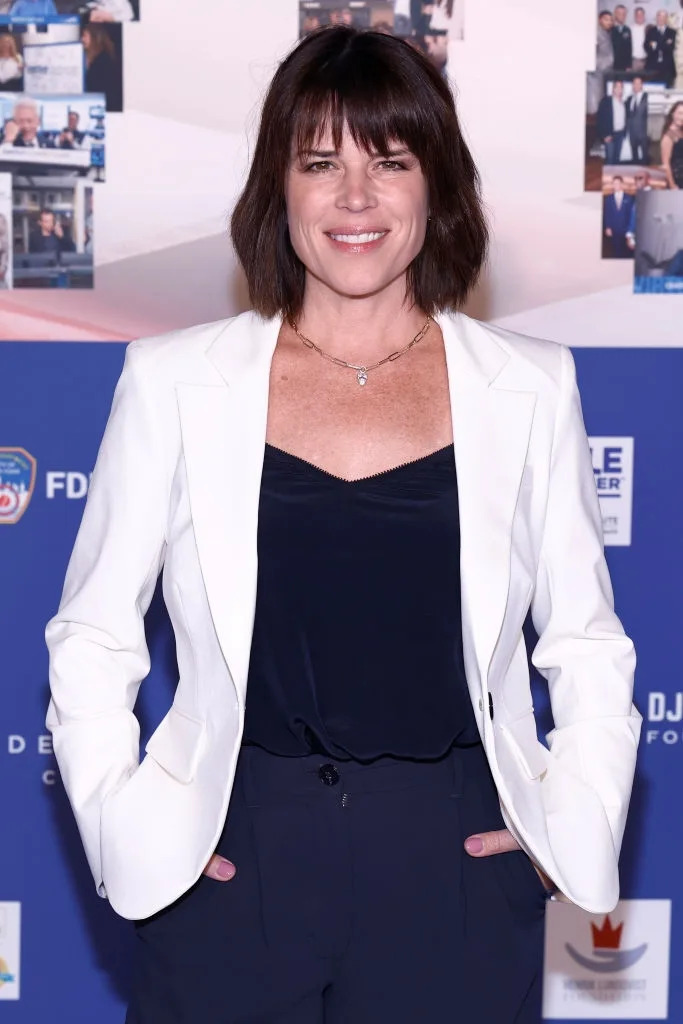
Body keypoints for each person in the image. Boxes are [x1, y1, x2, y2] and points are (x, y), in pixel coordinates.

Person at [45, 26, 640, 1024]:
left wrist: (566, 834)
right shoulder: (173, 381)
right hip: (232, 860)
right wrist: (131, 831)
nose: (354, 198)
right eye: (319, 163)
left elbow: (584, 640)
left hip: (452, 862)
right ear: (277, 190)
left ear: (435, 188)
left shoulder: (530, 386)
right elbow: (94, 635)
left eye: (389, 162)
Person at [81, 22, 122, 110]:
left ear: (95, 36)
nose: (82, 39)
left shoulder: (103, 61)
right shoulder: (100, 57)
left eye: (85, 35)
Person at [588, 10, 615, 115]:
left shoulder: (607, 33)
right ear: (600, 20)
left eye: (611, 20)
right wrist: (599, 66)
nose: (609, 22)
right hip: (596, 73)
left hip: (605, 72)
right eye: (606, 20)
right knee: (595, 103)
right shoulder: (596, 33)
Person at [603, 175, 635, 257]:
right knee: (616, 251)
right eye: (614, 183)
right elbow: (607, 214)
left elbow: (631, 215)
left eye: (617, 183)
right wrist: (608, 227)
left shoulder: (629, 198)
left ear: (622, 184)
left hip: (626, 229)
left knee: (627, 251)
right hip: (614, 229)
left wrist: (630, 231)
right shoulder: (608, 199)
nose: (616, 185)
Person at [597, 79, 627, 164]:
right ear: (613, 89)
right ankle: (609, 173)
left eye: (621, 87)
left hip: (620, 134)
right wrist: (604, 135)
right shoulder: (606, 101)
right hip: (609, 135)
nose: (619, 89)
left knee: (617, 159)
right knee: (610, 160)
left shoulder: (623, 103)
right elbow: (600, 119)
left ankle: (615, 173)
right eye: (617, 87)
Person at [645, 8, 676, 85]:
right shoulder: (650, 31)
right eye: (659, 16)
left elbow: (671, 48)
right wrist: (665, 44)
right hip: (652, 67)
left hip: (667, 68)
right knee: (652, 88)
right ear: (656, 18)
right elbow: (646, 47)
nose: (661, 19)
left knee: (667, 89)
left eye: (663, 17)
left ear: (666, 18)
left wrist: (655, 44)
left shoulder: (672, 32)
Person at [626, 75, 649, 163]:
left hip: (643, 134)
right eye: (634, 83)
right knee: (634, 157)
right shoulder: (629, 99)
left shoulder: (647, 97)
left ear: (642, 85)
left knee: (645, 158)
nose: (636, 85)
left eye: (638, 83)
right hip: (632, 134)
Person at [661, 100, 683, 188]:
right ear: (673, 114)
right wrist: (672, 185)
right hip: (676, 181)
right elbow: (665, 164)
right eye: (679, 113)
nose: (681, 117)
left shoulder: (680, 132)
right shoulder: (668, 136)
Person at [611, 4, 632, 70]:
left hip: (623, 65)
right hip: (611, 64)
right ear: (615, 14)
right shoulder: (609, 28)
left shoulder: (627, 29)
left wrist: (629, 65)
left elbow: (629, 48)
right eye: (619, 13)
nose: (622, 16)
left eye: (624, 14)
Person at [631, 5, 648, 71]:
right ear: (634, 16)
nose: (639, 16)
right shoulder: (630, 29)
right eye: (637, 15)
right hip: (634, 61)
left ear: (644, 16)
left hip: (646, 60)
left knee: (646, 77)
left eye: (641, 14)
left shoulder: (649, 28)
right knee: (634, 77)